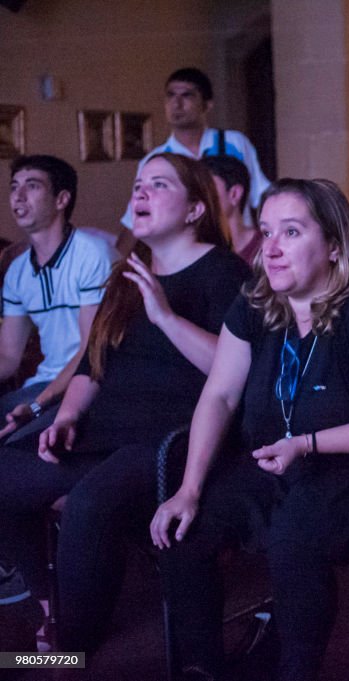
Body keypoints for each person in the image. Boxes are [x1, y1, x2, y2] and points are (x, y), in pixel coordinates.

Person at [150, 178, 349, 681]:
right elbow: (220, 394)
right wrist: (188, 490)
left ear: (335, 247)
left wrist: (307, 443)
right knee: (186, 529)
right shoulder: (257, 305)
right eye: (266, 232)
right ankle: (203, 669)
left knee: (293, 544)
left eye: (291, 233)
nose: (270, 249)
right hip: (273, 460)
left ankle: (292, 670)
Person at [0, 152, 249, 651]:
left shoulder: (223, 273)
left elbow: (234, 372)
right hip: (105, 428)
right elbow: (94, 365)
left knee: (90, 504)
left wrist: (166, 318)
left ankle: (71, 649)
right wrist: (67, 414)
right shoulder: (127, 274)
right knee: (6, 473)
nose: (140, 192)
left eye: (158, 185)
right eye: (139, 184)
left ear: (196, 209)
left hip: (173, 435)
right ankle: (51, 602)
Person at [0, 155, 116, 441]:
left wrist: (40, 403)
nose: (19, 196)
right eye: (14, 187)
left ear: (61, 199)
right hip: (40, 385)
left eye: (32, 186)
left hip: (89, 385)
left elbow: (92, 351)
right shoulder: (17, 271)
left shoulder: (92, 254)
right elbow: (8, 358)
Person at [120, 67, 270, 229]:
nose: (176, 104)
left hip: (236, 248)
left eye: (187, 96)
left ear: (207, 104)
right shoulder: (156, 160)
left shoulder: (234, 143)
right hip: (185, 250)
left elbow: (261, 196)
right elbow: (135, 220)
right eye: (171, 95)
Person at [202, 154, 261, 266]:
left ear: (234, 194)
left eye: (206, 190)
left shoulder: (266, 248)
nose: (198, 199)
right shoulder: (196, 252)